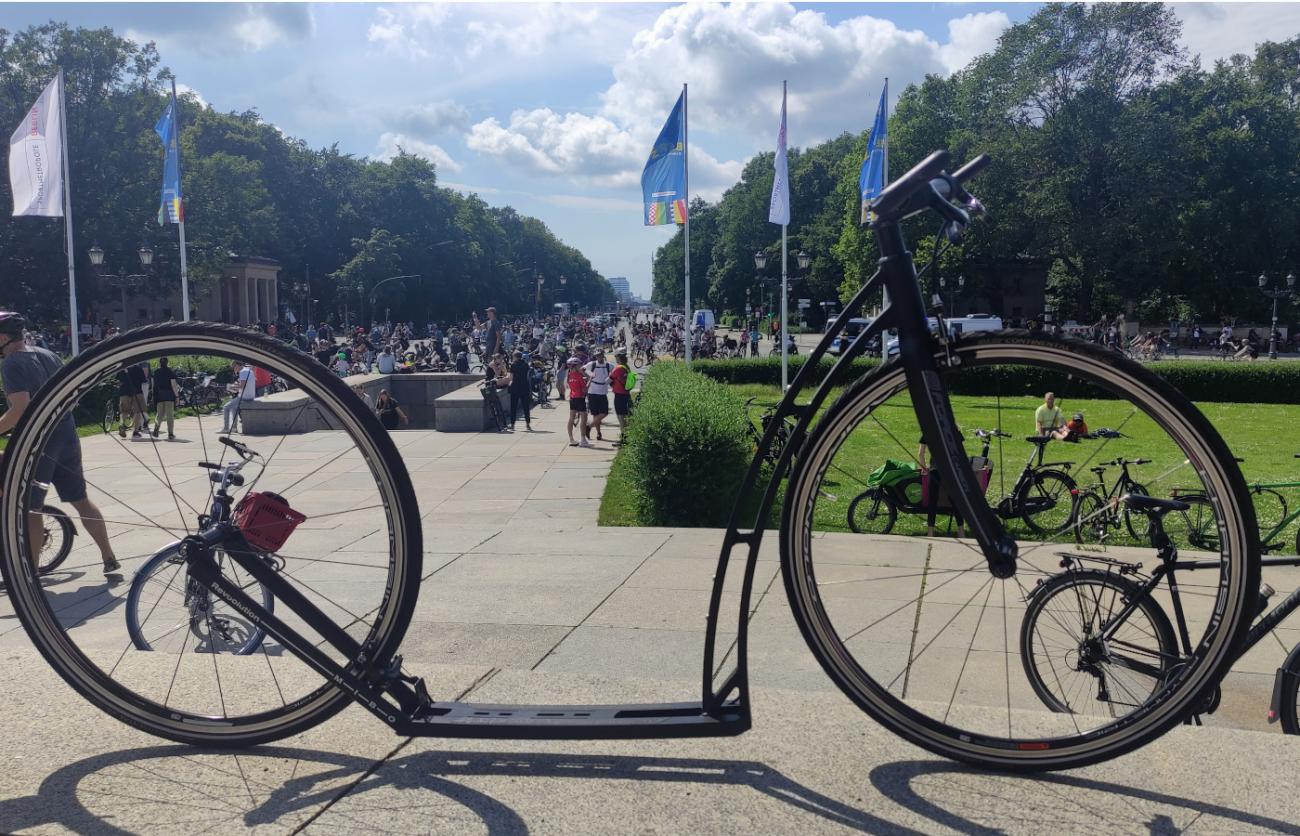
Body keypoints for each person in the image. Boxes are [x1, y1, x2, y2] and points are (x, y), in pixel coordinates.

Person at [0, 312, 120, 580]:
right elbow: (71, 396)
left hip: (39, 441)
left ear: (5, 337)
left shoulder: (11, 363)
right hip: (66, 434)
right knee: (81, 500)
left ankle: (27, 575)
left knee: (29, 506)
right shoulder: (48, 355)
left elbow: (20, 409)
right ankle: (108, 556)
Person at [583, 348, 613, 442]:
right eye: (597, 355)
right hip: (592, 392)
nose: (599, 357)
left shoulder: (609, 365)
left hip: (603, 392)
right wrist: (589, 376)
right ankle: (598, 433)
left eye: (600, 355)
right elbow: (582, 369)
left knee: (604, 413)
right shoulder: (592, 364)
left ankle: (589, 427)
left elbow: (615, 374)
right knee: (595, 415)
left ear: (603, 355)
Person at [221, 360, 256, 434]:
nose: (234, 370)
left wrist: (231, 387)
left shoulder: (242, 372)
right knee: (234, 408)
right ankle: (234, 428)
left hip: (245, 397)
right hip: (251, 395)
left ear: (237, 365)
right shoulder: (249, 370)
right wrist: (236, 387)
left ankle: (226, 428)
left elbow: (242, 386)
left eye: (233, 367)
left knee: (226, 407)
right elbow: (246, 385)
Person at [151, 357, 178, 440]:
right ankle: (170, 434)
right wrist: (176, 396)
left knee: (159, 415)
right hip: (169, 395)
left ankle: (156, 428)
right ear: (167, 362)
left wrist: (153, 396)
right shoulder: (170, 372)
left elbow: (153, 385)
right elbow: (173, 385)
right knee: (170, 415)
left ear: (160, 363)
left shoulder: (156, 372)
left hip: (159, 395)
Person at [565, 357, 590, 447]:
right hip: (580, 398)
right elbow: (585, 389)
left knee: (571, 418)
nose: (581, 366)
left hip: (572, 398)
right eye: (579, 365)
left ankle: (571, 439)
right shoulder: (579, 375)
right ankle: (583, 440)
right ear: (575, 366)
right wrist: (590, 379)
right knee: (584, 417)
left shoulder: (569, 374)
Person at [609, 350, 633, 442]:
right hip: (626, 394)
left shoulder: (618, 368)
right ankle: (627, 436)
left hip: (619, 395)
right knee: (625, 416)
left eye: (616, 358)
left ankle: (623, 439)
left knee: (621, 417)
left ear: (618, 358)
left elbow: (607, 381)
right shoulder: (627, 367)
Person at [508, 350, 532, 431]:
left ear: (515, 357)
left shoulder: (513, 365)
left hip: (515, 387)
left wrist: (509, 384)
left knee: (513, 406)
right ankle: (528, 424)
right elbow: (528, 377)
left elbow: (511, 378)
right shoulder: (526, 365)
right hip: (524, 387)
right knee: (526, 407)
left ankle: (512, 424)